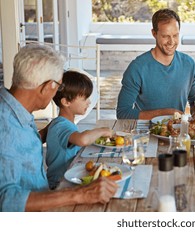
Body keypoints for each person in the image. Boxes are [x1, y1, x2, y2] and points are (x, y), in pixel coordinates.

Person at [0, 45, 118, 211]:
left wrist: (48, 131)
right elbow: (6, 201)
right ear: (47, 86)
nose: (57, 92)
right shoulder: (4, 124)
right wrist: (80, 194)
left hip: (48, 198)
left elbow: (18, 144)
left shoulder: (13, 110)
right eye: (58, 86)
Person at [116, 8, 195, 119]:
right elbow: (123, 113)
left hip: (178, 133)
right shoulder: (137, 68)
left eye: (175, 35)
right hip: (145, 133)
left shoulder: (188, 64)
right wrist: (166, 113)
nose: (171, 42)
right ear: (154, 33)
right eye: (165, 36)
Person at [46, 70, 114, 189]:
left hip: (69, 177)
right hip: (59, 184)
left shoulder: (65, 123)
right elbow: (82, 139)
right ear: (66, 102)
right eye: (85, 98)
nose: (88, 102)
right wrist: (103, 130)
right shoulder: (60, 126)